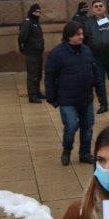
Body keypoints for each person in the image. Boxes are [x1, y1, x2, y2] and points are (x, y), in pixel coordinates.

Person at [45, 22, 102, 165]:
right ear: (69, 36)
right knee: (71, 126)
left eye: (82, 34)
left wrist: (101, 94)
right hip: (67, 99)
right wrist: (52, 98)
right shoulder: (57, 53)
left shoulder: (87, 51)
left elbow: (95, 73)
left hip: (86, 98)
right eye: (78, 34)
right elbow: (50, 77)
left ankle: (85, 153)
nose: (81, 37)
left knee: (87, 128)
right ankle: (67, 150)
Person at [83, 0, 109, 113]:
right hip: (96, 58)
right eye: (96, 6)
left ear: (104, 8)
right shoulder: (88, 23)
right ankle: (103, 104)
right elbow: (84, 40)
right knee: (99, 81)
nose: (98, 8)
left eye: (100, 6)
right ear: (92, 9)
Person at [18, 3, 46, 103]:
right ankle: (32, 95)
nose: (38, 14)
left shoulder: (35, 22)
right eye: (36, 12)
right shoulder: (28, 22)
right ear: (31, 12)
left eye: (39, 12)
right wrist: (24, 49)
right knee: (33, 75)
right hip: (31, 52)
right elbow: (22, 37)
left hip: (38, 52)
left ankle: (37, 92)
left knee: (38, 74)